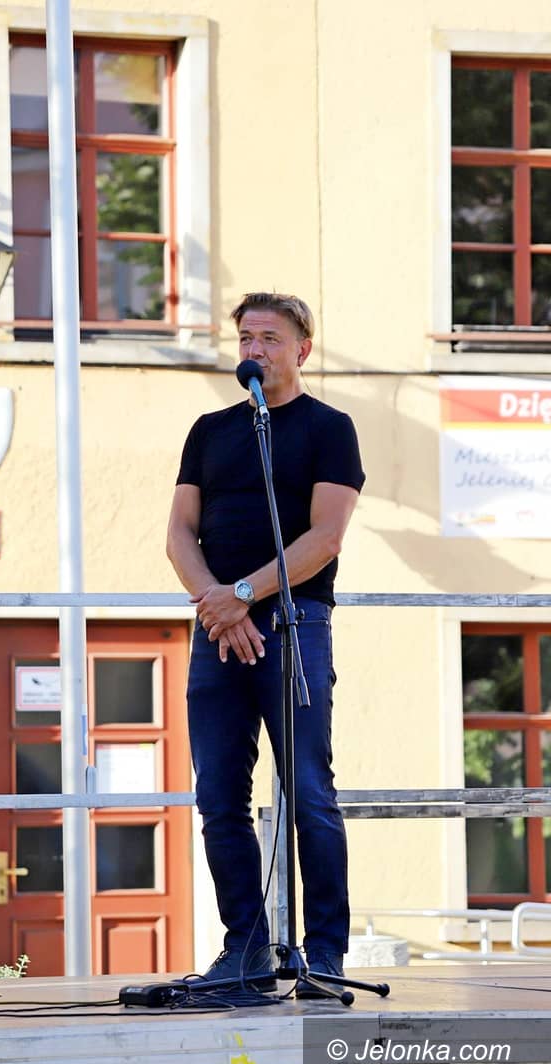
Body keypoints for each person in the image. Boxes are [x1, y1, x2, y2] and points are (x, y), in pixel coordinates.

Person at [166, 291, 365, 993]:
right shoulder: (209, 430)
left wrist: (244, 594)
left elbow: (325, 537)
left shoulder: (329, 429)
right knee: (219, 795)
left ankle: (326, 954)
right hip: (218, 631)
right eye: (246, 338)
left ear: (301, 349)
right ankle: (245, 949)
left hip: (294, 626)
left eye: (269, 339)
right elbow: (179, 534)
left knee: (309, 791)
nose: (254, 350)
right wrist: (218, 606)